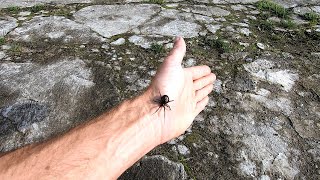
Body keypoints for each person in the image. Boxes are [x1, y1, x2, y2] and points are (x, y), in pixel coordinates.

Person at [0, 37, 216, 179]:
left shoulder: (162, 102)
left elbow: (161, 101)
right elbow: (161, 101)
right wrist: (152, 109)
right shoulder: (162, 102)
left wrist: (151, 107)